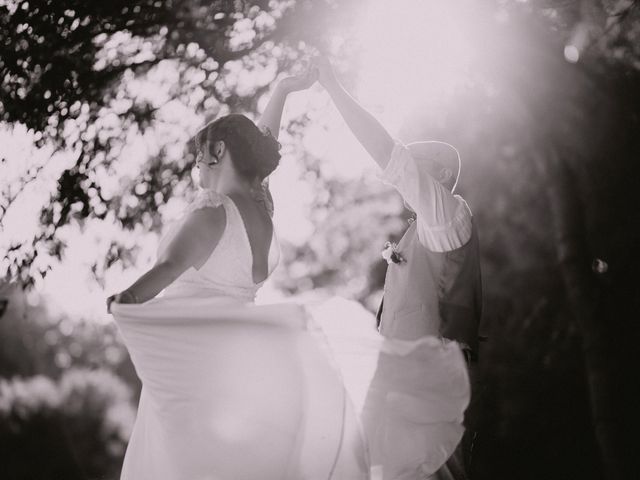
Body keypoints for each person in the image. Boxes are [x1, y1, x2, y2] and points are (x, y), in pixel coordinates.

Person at [107, 67, 470, 480]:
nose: (197, 163)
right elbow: (256, 160)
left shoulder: (213, 209)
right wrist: (280, 92)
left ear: (220, 151)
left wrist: (129, 299)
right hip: (249, 361)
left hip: (200, 356)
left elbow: (169, 267)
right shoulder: (259, 212)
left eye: (202, 152)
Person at [315, 56, 484, 479]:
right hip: (395, 383)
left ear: (441, 174)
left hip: (430, 384)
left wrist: (335, 88)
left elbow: (392, 159)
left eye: (418, 167)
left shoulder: (448, 214)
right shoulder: (419, 230)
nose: (405, 180)